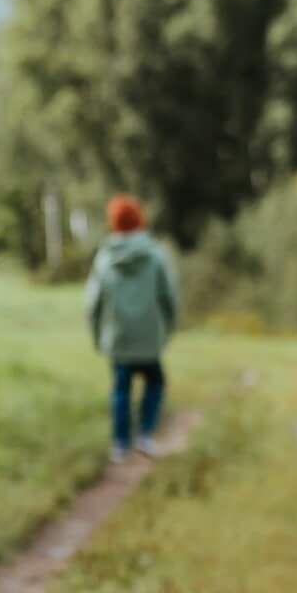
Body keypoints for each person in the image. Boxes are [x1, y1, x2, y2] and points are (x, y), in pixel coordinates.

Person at [86, 195, 179, 461]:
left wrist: (96, 337)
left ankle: (119, 444)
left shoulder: (104, 258)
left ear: (113, 223)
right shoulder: (156, 255)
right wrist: (170, 327)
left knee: (120, 389)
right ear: (139, 220)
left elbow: (92, 303)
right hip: (149, 337)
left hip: (118, 338)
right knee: (156, 381)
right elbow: (169, 297)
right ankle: (146, 434)